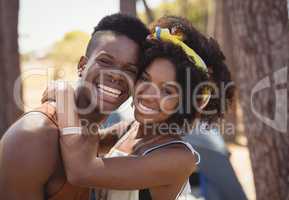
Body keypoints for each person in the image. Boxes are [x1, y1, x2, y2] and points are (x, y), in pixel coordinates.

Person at [51, 16, 234, 200]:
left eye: (167, 90)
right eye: (145, 79)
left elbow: (82, 172)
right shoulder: (132, 128)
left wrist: (63, 92)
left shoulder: (178, 157)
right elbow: (78, 144)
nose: (148, 94)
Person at [0, 13, 149, 200]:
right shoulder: (34, 136)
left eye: (130, 70)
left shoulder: (89, 130)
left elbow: (123, 131)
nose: (116, 75)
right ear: (82, 66)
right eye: (105, 61)